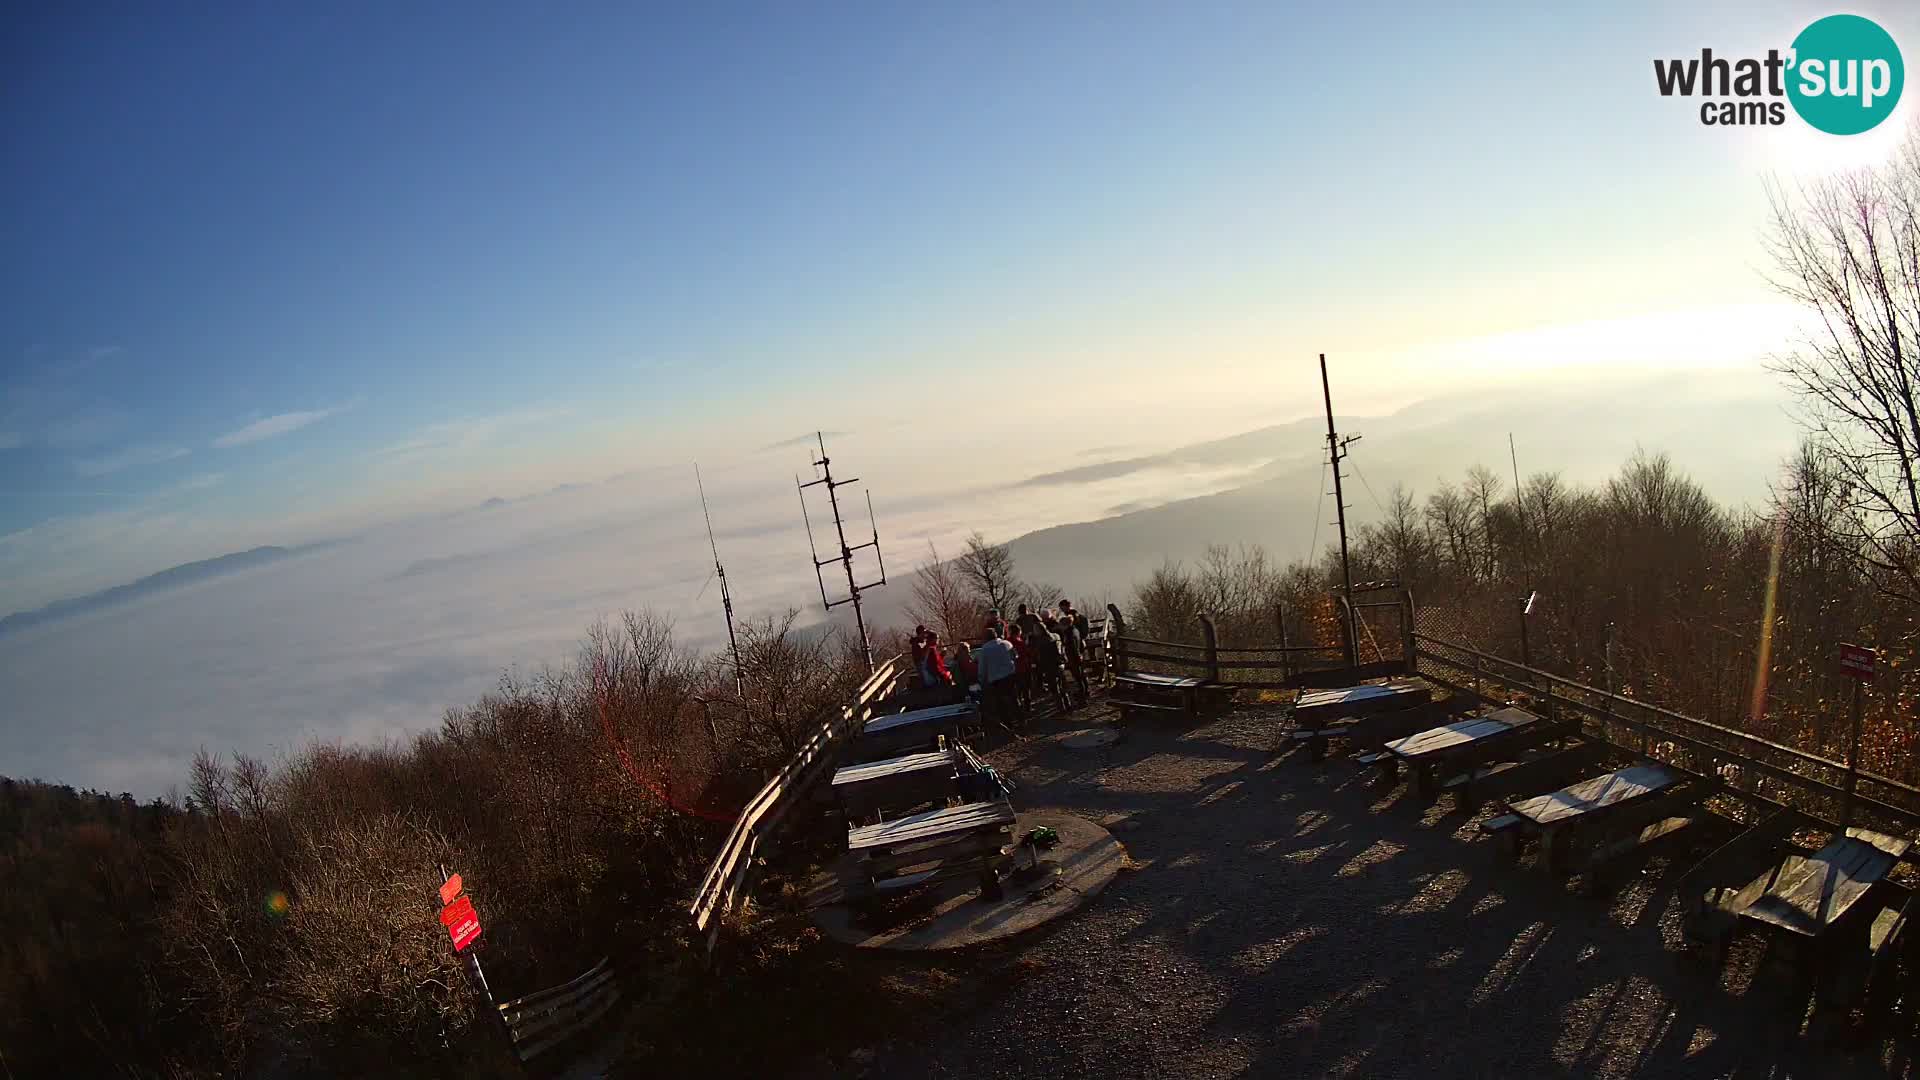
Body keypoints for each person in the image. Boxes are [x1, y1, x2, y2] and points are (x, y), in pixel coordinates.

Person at [973, 628, 1018, 728]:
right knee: (1013, 698)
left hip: (997, 680)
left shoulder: (985, 649)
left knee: (1001, 703)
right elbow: (1015, 656)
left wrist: (982, 680)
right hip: (1010, 675)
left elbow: (982, 668)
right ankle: (1021, 719)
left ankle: (1008, 725)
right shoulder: (1007, 644)